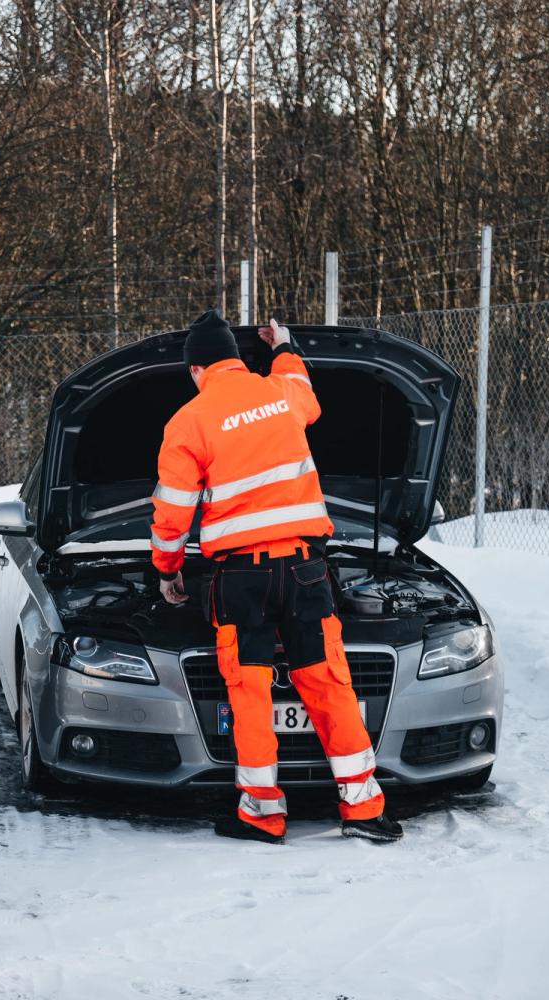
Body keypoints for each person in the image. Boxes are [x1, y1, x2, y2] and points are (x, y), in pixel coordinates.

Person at [152, 310, 403, 844]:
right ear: (237, 358)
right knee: (329, 683)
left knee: (250, 691)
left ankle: (262, 815)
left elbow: (172, 512)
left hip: (240, 579)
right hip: (307, 570)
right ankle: (363, 810)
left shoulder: (188, 421)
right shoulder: (280, 393)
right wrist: (284, 345)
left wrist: (169, 571)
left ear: (195, 369)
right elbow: (304, 391)